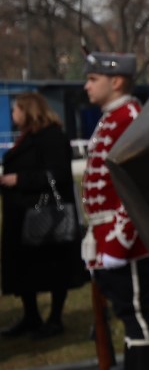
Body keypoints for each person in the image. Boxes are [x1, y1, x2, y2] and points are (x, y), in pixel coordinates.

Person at [81, 51, 149, 370]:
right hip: (106, 239)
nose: (86, 85)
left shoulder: (129, 119)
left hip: (124, 244)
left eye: (93, 78)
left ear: (116, 81)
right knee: (127, 320)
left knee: (138, 319)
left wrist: (118, 240)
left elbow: (136, 186)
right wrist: (95, 237)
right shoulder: (110, 120)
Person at [0, 93, 86, 338]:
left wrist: (20, 179)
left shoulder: (52, 137)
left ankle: (54, 318)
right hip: (22, 211)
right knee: (24, 268)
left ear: (28, 110)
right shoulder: (28, 137)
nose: (13, 114)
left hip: (45, 213)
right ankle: (31, 316)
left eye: (16, 109)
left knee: (55, 266)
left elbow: (57, 174)